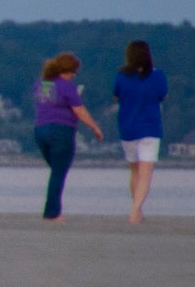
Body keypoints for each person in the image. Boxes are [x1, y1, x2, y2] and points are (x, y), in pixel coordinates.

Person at [32, 52, 105, 222]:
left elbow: (47, 103)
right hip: (61, 131)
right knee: (58, 172)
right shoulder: (67, 87)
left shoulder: (41, 84)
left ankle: (52, 209)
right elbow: (79, 110)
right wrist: (94, 127)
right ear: (69, 71)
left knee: (56, 171)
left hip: (40, 131)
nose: (74, 75)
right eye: (74, 72)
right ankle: (52, 213)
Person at [113, 39, 167, 225]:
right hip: (150, 128)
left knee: (134, 171)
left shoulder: (121, 76)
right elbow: (163, 95)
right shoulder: (157, 76)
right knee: (146, 172)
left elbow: (116, 97)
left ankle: (137, 209)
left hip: (127, 128)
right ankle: (135, 211)